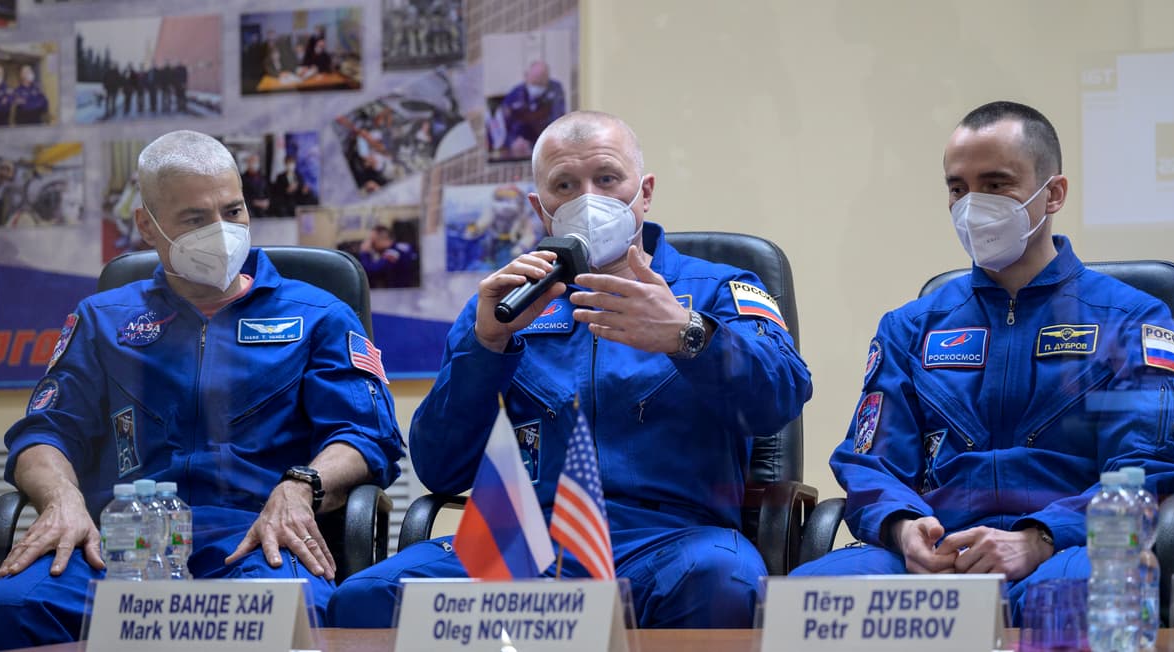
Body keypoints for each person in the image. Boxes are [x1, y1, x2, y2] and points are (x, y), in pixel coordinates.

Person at [328, 111, 812, 629]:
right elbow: (440, 468)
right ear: (541, 208)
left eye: (606, 179)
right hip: (523, 538)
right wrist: (487, 344)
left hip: (672, 539)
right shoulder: (510, 302)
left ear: (643, 192)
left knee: (724, 583)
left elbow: (781, 395)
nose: (588, 198)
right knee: (365, 599)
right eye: (565, 185)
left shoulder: (719, 286)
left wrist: (686, 333)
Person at [0, 130, 406, 652]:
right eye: (195, 219)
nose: (221, 231)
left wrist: (301, 484)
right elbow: (43, 433)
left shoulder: (319, 314)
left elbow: (366, 435)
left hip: (257, 538)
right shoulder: (104, 320)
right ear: (147, 225)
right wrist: (61, 500)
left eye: (233, 211)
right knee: (4, 614)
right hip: (121, 545)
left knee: (287, 613)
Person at [789, 101, 1174, 622]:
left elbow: (1151, 469)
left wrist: (1038, 539)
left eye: (995, 184)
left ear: (1052, 193)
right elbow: (870, 463)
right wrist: (903, 528)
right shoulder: (910, 327)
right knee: (808, 602)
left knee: (1094, 597)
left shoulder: (1133, 319)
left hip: (1068, 554)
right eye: (957, 188)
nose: (972, 205)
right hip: (939, 557)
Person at [493, 60, 566, 160]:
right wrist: (512, 142)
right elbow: (502, 126)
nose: (536, 87)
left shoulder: (555, 90)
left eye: (541, 84)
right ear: (526, 77)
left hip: (544, 148)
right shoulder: (515, 95)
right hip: (518, 148)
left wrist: (535, 145)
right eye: (534, 83)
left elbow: (556, 124)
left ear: (547, 80)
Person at [356, 224, 417, 289]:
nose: (372, 246)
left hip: (401, 293)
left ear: (382, 239)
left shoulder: (393, 253)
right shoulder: (402, 247)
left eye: (373, 242)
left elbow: (372, 271)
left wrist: (364, 253)